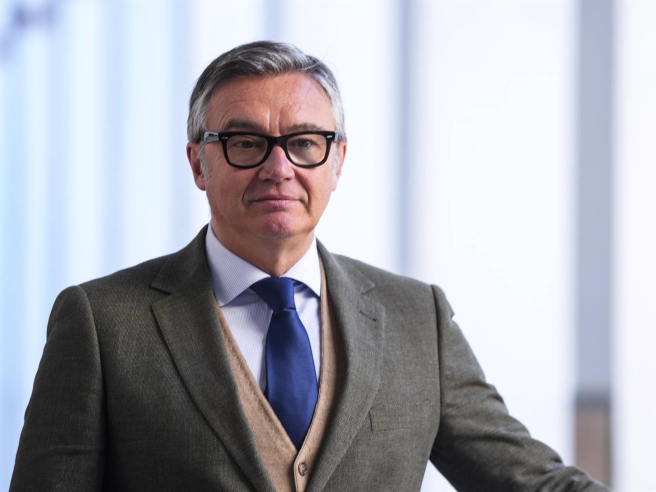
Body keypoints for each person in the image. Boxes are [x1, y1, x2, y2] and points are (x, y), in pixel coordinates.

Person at [11, 41, 609, 492]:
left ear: (338, 160)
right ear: (198, 164)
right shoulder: (103, 322)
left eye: (304, 143)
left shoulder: (416, 319)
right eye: (246, 143)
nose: (279, 169)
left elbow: (533, 482)